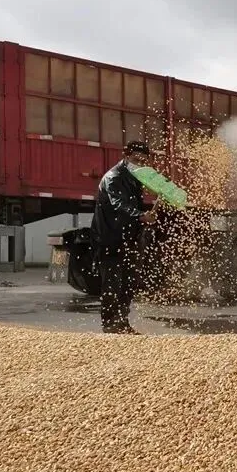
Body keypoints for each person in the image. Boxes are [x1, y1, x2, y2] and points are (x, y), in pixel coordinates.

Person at [89, 140, 157, 334]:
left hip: (130, 237)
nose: (139, 163)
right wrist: (140, 216)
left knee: (129, 282)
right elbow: (118, 204)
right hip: (110, 237)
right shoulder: (114, 177)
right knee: (112, 283)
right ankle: (110, 324)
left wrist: (145, 215)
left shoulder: (136, 177)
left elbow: (135, 204)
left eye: (143, 161)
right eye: (136, 159)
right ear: (126, 157)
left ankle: (122, 322)